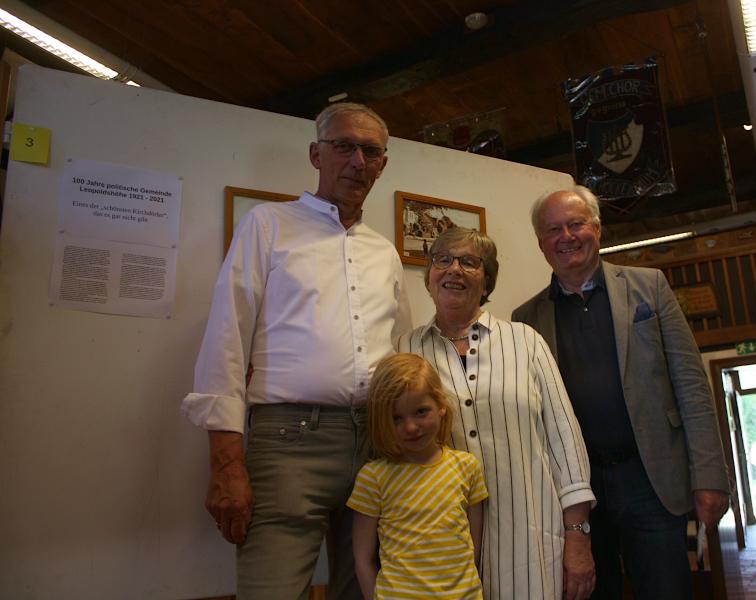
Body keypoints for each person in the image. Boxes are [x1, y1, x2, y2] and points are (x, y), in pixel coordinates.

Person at [181, 102, 411, 600]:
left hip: (376, 445)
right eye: (344, 146)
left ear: (382, 164)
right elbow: (227, 338)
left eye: (370, 151)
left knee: (370, 592)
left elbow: (401, 359)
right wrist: (226, 462)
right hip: (288, 444)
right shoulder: (268, 225)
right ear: (316, 154)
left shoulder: (384, 252)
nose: (357, 161)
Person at [512, 186, 731, 600]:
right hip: (579, 490)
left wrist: (710, 477)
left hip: (650, 480)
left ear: (596, 227)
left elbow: (691, 386)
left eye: (575, 224)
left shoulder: (650, 287)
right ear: (541, 243)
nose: (566, 237)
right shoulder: (525, 319)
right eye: (553, 229)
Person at [397, 227, 596, 600]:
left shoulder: (526, 341)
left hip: (530, 543)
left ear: (486, 280)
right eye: (443, 260)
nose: (454, 269)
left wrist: (578, 537)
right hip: (438, 548)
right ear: (428, 277)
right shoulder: (405, 348)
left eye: (469, 262)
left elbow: (564, 443)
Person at [348, 353, 489, 600]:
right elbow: (362, 559)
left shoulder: (467, 467)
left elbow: (473, 548)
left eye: (421, 411)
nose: (411, 427)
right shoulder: (373, 477)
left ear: (441, 405)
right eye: (396, 418)